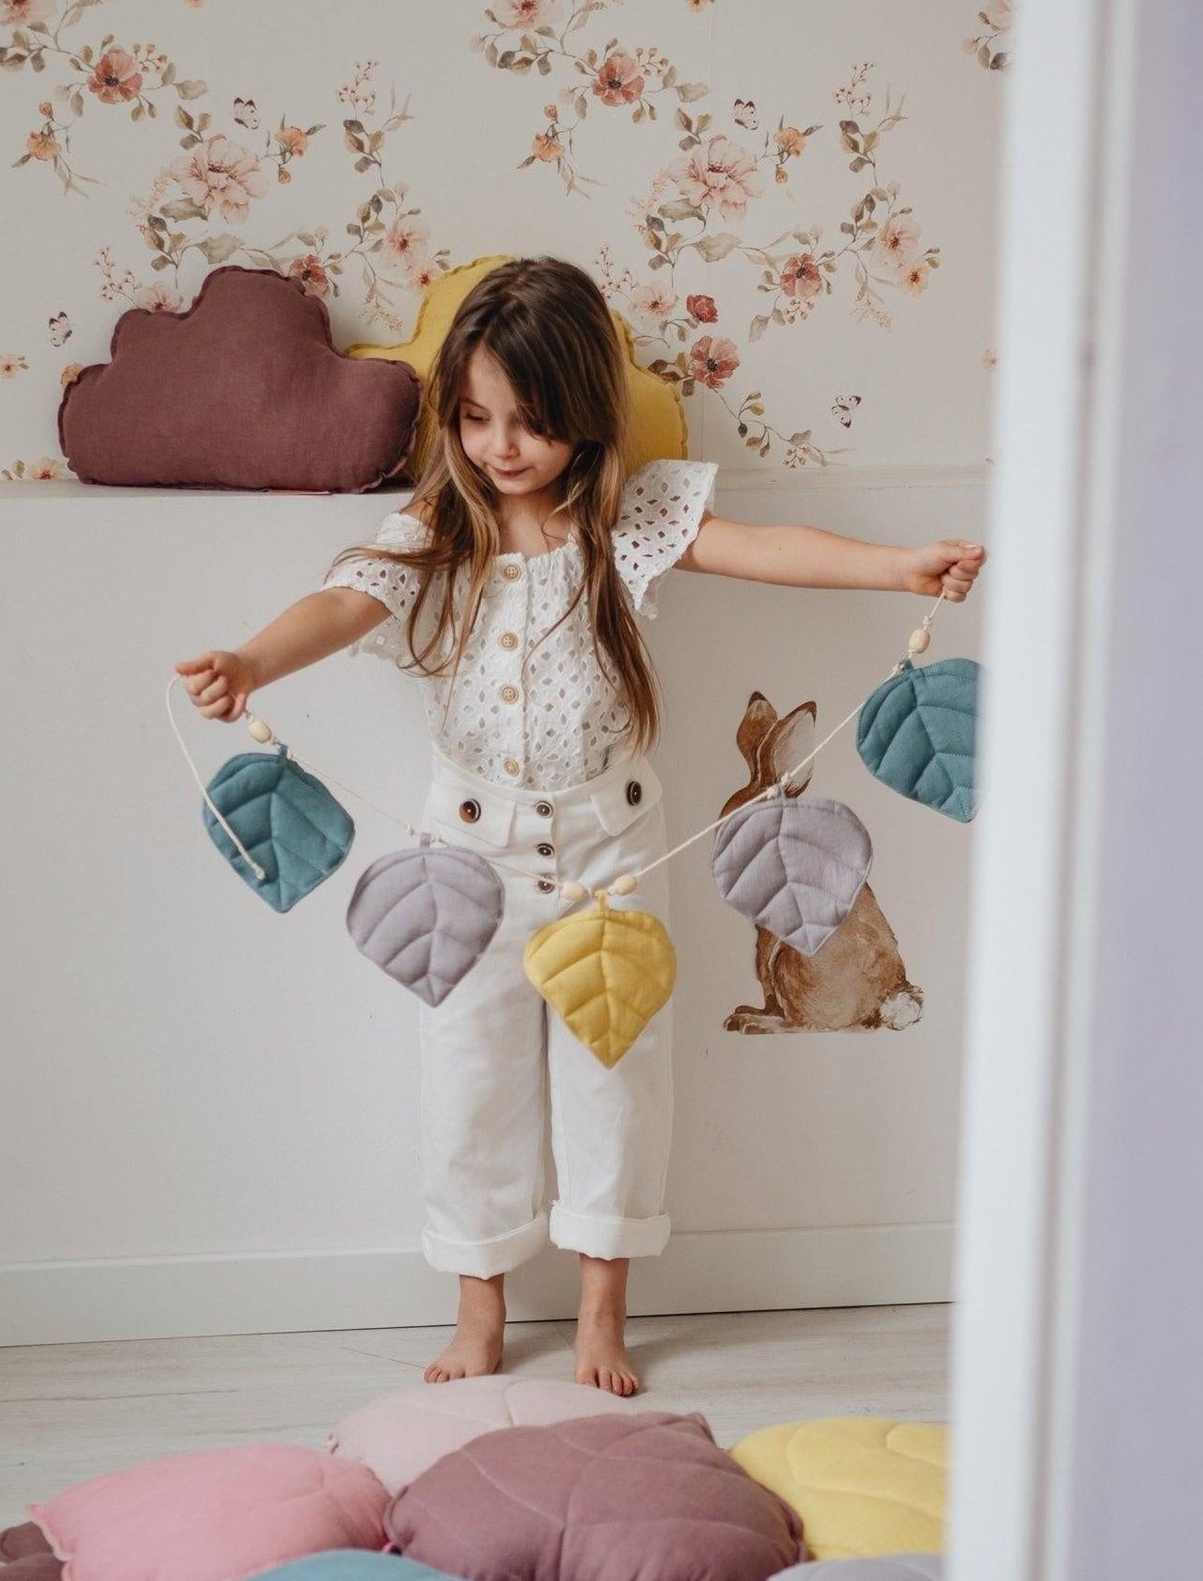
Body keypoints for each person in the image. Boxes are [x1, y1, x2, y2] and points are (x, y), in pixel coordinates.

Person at [175, 255, 985, 1396]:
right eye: (476, 418)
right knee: (467, 1077)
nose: (502, 447)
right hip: (463, 854)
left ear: (584, 423)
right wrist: (251, 659)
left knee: (618, 1074)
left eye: (532, 423)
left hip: (612, 849)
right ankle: (479, 1307)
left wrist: (899, 566)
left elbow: (763, 549)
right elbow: (342, 602)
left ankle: (603, 1311)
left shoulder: (628, 518)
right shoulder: (434, 530)